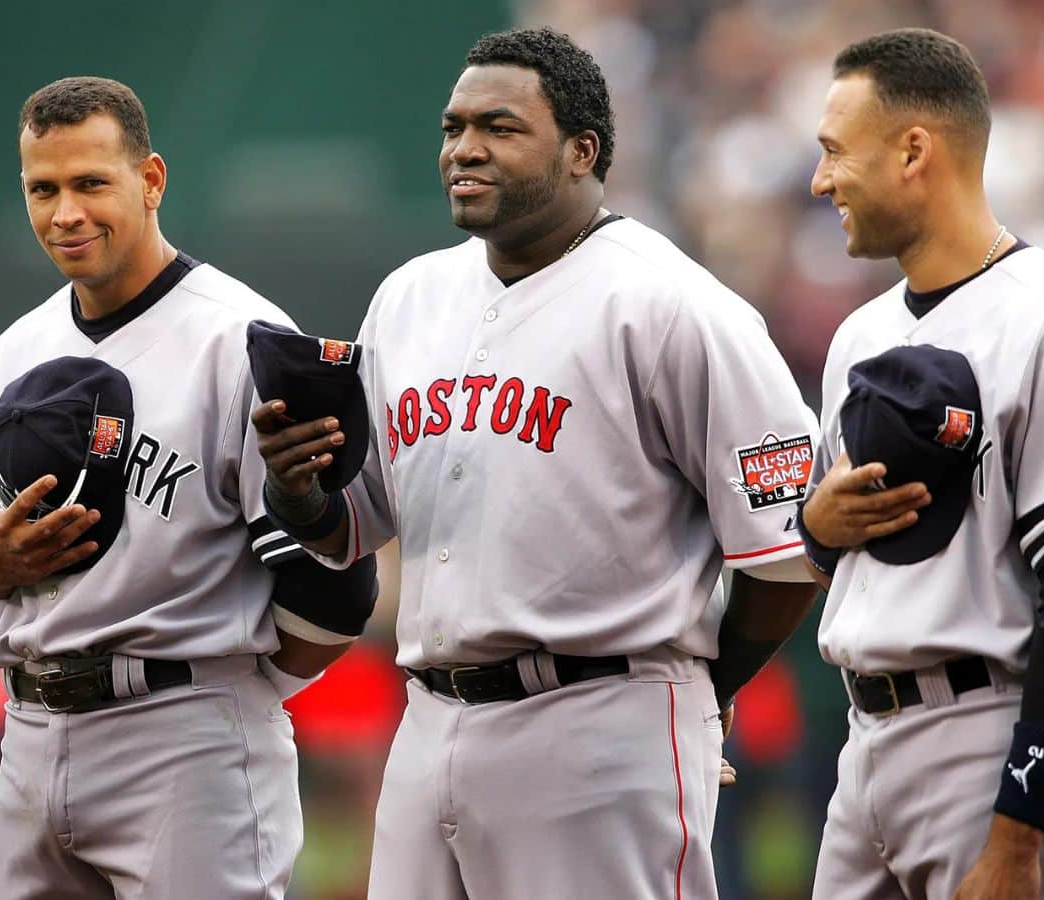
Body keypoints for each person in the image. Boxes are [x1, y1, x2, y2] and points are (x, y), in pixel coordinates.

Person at [254, 26, 818, 899]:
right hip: (430, 721)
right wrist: (296, 490)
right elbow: (353, 525)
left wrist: (716, 685)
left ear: (581, 151)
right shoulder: (409, 297)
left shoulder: (672, 306)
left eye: (500, 128)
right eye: (453, 127)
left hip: (601, 722)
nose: (464, 148)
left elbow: (785, 550)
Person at [0, 76, 378, 899]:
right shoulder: (11, 352)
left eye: (90, 183)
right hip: (31, 730)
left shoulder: (240, 338)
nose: (65, 212)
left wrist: (233, 692)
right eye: (43, 189)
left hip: (185, 735)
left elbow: (334, 581)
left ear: (150, 181)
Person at [801, 28, 1044, 900]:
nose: (820, 179)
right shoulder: (859, 337)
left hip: (1003, 732)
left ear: (914, 150)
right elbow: (829, 552)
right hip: (868, 737)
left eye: (836, 151)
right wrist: (816, 528)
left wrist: (1018, 835)